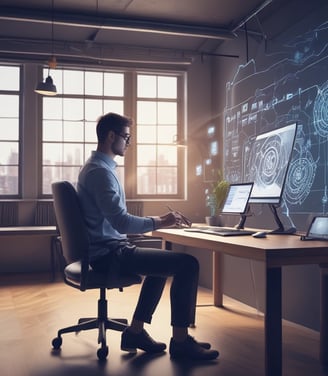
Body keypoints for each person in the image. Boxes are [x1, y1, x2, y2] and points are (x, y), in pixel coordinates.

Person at [77, 112, 219, 361]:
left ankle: (134, 332)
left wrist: (157, 221)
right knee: (188, 264)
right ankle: (181, 342)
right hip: (109, 254)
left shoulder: (97, 169)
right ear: (112, 136)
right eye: (126, 137)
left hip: (108, 250)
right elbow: (121, 221)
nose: (128, 143)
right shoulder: (100, 173)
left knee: (162, 264)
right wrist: (161, 221)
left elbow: (117, 219)